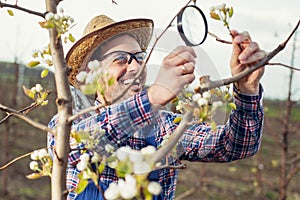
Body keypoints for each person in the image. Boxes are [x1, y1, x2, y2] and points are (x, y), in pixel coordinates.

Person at [48, 14, 265, 200]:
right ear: (93, 72)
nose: (135, 67)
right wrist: (152, 97)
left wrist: (247, 90)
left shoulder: (164, 125)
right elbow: (79, 147)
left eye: (139, 58)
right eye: (120, 59)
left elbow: (236, 145)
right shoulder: (68, 123)